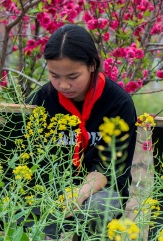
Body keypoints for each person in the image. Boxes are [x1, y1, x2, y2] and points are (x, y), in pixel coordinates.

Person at [29, 24, 137, 215]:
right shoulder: (42, 99)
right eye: (54, 76)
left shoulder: (118, 103)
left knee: (98, 207)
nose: (63, 85)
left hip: (103, 188)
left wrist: (77, 194)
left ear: (92, 65)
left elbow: (108, 166)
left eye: (73, 76)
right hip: (52, 184)